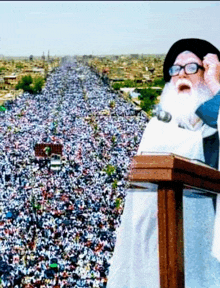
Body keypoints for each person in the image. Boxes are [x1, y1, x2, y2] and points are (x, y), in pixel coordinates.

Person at [107, 38, 220, 288]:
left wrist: (217, 88)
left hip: (207, 257)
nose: (182, 75)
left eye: (192, 67)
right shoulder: (157, 128)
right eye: (175, 69)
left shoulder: (214, 129)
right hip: (156, 255)